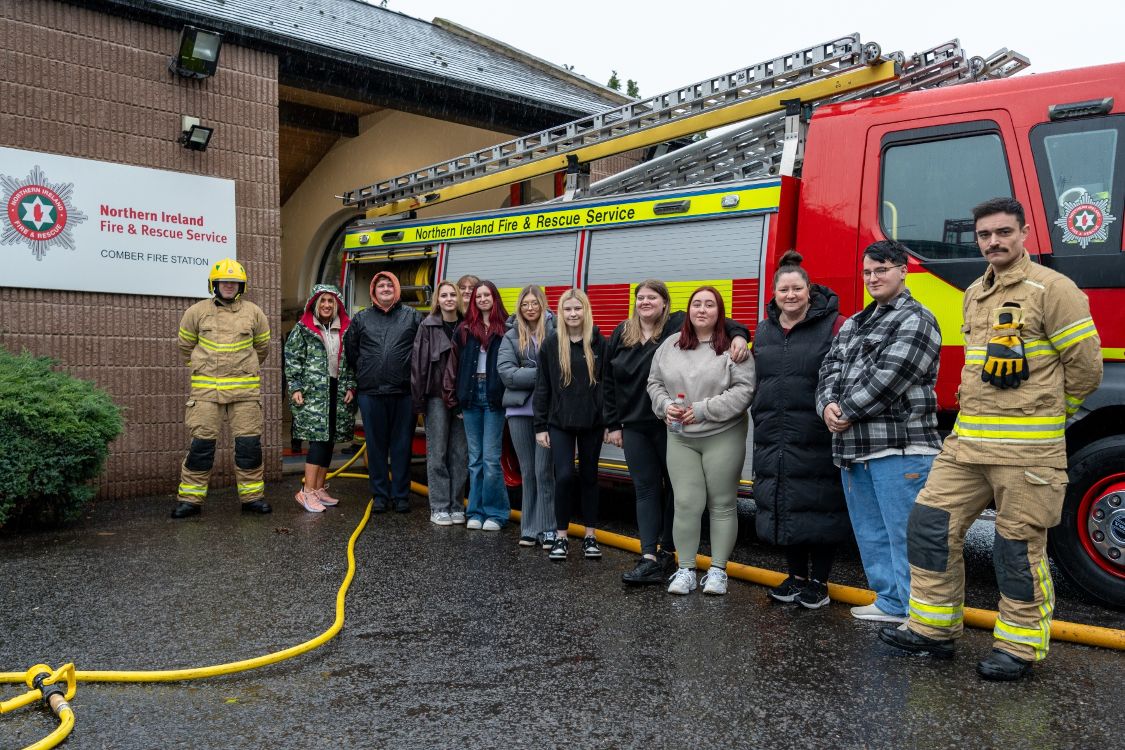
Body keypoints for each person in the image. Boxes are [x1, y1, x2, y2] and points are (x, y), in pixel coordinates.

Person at [879, 198, 1103, 681]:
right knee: (929, 525)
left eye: (1003, 232)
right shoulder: (975, 293)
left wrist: (1049, 416)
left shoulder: (1053, 289)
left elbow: (1087, 369)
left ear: (1024, 232)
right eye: (985, 235)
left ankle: (1019, 647)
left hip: (1028, 453)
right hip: (967, 446)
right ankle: (932, 629)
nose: (993, 242)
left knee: (1016, 549)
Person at [815, 240, 942, 622]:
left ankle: (919, 614)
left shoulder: (917, 319)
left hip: (900, 449)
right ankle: (890, 602)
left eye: (881, 270)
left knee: (906, 535)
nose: (872, 278)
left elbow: (892, 377)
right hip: (854, 449)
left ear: (903, 270)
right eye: (867, 272)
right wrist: (826, 406)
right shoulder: (854, 323)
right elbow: (828, 369)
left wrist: (845, 410)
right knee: (871, 532)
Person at [604, 280, 750, 585]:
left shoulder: (684, 329)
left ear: (665, 303)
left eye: (652, 297)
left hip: (693, 430)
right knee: (664, 495)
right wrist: (619, 420)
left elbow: (743, 385)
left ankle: (696, 563)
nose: (645, 302)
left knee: (703, 500)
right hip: (646, 425)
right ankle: (661, 562)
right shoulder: (632, 334)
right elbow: (624, 381)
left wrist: (739, 334)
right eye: (640, 297)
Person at [752, 252, 849, 609]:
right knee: (785, 502)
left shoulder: (835, 324)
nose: (790, 295)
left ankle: (819, 582)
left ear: (809, 290)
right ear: (774, 293)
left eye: (797, 288)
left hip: (817, 431)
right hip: (774, 433)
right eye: (783, 290)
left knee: (820, 505)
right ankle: (795, 577)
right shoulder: (765, 329)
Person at [647, 286, 756, 595]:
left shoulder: (734, 348)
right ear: (689, 309)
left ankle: (718, 571)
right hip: (681, 437)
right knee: (685, 503)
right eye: (697, 304)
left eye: (710, 304)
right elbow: (654, 382)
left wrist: (702, 410)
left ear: (720, 312)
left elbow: (744, 390)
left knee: (722, 504)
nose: (702, 310)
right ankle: (685, 570)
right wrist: (664, 405)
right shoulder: (670, 345)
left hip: (723, 435)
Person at [172, 258, 271, 518]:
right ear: (214, 284)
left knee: (249, 448)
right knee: (201, 448)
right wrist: (203, 367)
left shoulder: (254, 313)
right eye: (224, 281)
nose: (229, 285)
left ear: (241, 286)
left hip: (245, 394)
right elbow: (185, 347)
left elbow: (262, 348)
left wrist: (243, 368)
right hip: (206, 394)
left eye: (234, 282)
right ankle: (190, 501)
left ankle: (252, 498)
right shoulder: (196, 312)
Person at [534, 288, 606, 561]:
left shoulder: (599, 342)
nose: (573, 314)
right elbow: (542, 387)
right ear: (561, 312)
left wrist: (609, 421)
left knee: (589, 476)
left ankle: (590, 537)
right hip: (559, 422)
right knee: (563, 476)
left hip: (592, 422)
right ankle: (561, 537)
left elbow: (607, 385)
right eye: (568, 309)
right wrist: (540, 426)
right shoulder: (551, 344)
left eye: (577, 308)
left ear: (585, 311)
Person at [344, 271, 423, 513]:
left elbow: (422, 350)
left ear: (397, 289)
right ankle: (379, 495)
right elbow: (351, 351)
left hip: (404, 392)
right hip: (371, 393)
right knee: (376, 447)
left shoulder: (413, 316)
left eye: (390, 285)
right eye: (381, 286)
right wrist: (367, 370)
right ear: (373, 291)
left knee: (402, 446)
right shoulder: (361, 318)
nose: (386, 288)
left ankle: (400, 496)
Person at [443, 280, 510, 530]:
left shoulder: (506, 328)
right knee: (475, 460)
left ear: (495, 298)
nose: (482, 299)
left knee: (491, 459)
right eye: (478, 296)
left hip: (494, 397)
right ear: (473, 301)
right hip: (470, 396)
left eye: (486, 295)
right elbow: (453, 366)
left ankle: (496, 514)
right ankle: (475, 512)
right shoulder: (464, 329)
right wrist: (455, 400)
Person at [284, 284, 357, 512]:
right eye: (322, 301)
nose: (326, 305)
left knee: (330, 439)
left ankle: (318, 489)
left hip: (337, 390)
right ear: (315, 304)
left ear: (337, 305)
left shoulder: (346, 329)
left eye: (330, 301)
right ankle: (306, 492)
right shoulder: (303, 329)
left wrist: (351, 386)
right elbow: (292, 359)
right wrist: (295, 387)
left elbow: (352, 362)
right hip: (313, 392)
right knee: (317, 440)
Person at [498, 284, 557, 547]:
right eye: (525, 304)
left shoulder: (556, 331)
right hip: (519, 412)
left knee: (544, 471)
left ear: (542, 305)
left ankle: (548, 529)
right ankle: (529, 529)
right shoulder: (510, 335)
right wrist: (543, 374)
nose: (530, 308)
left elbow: (562, 368)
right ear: (519, 307)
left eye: (534, 303)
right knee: (528, 471)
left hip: (549, 414)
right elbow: (507, 374)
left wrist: (527, 370)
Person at [412, 280, 469, 526]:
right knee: (437, 453)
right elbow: (418, 366)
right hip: (435, 397)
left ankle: (456, 506)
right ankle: (439, 507)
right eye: (444, 295)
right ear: (437, 299)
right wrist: (419, 402)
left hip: (462, 397)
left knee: (460, 454)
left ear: (459, 298)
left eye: (452, 295)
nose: (448, 299)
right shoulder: (427, 326)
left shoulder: (467, 326)